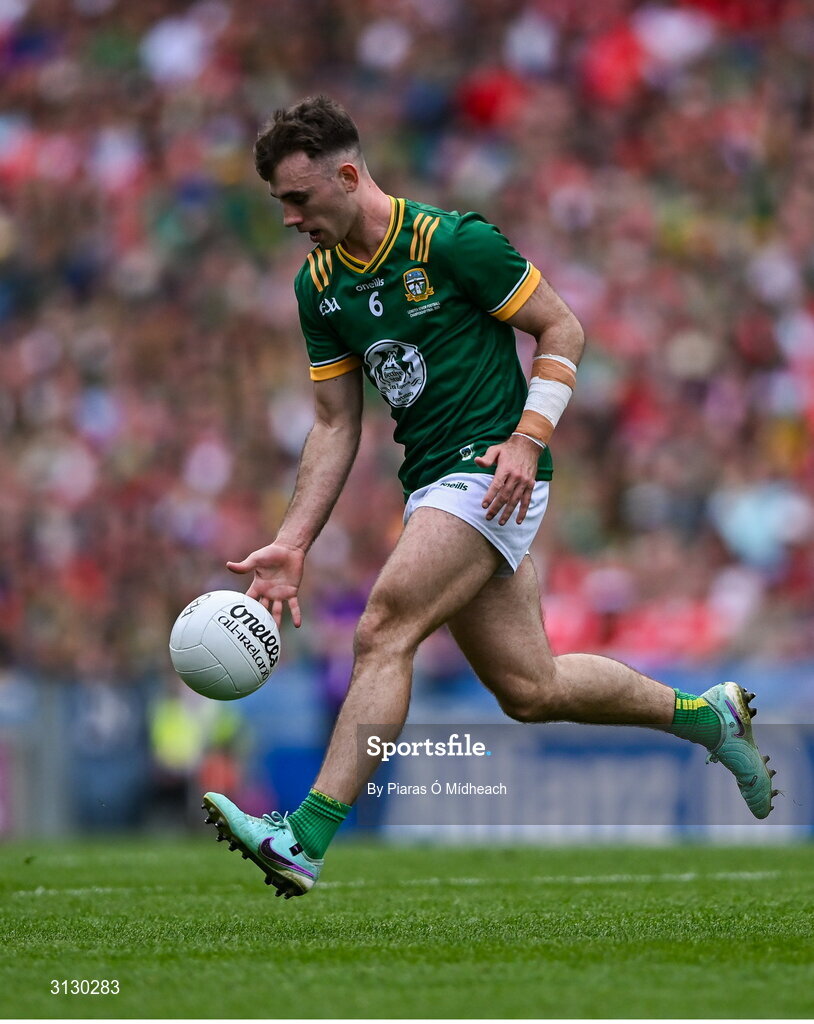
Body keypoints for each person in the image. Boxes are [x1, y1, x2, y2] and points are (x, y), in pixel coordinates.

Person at [202, 95, 777, 898]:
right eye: (280, 203)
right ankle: (709, 718)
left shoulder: (451, 242)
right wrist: (294, 541)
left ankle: (304, 838)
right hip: (433, 484)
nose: (291, 218)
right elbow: (335, 424)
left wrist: (528, 438)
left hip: (492, 471)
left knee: (382, 629)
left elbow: (563, 328)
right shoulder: (319, 287)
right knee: (531, 690)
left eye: (299, 198)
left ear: (348, 176)